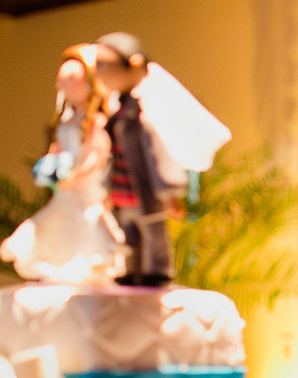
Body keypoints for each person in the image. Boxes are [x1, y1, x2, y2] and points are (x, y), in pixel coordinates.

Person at [93, 31, 230, 287]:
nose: (99, 71)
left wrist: (169, 192)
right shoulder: (117, 111)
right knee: (127, 235)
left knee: (152, 234)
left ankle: (157, 271)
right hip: (122, 192)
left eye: (105, 64)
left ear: (133, 63)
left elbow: (163, 151)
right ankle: (130, 270)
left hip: (147, 191)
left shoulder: (148, 111)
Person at [0, 43, 125, 285]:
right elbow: (57, 147)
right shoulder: (66, 120)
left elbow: (96, 155)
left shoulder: (95, 122)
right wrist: (49, 166)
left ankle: (86, 265)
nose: (63, 86)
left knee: (86, 225)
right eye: (62, 80)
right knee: (53, 221)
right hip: (65, 188)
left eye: (71, 79)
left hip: (83, 187)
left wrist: (76, 176)